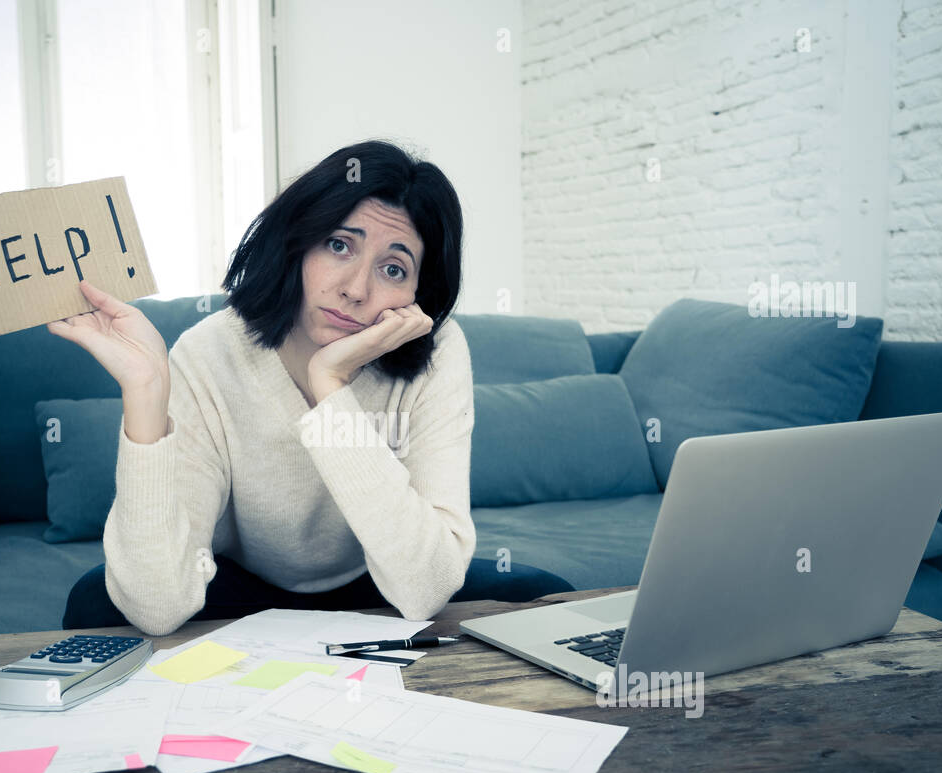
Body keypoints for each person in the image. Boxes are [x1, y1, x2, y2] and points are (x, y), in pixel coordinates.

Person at [52, 139, 571, 633]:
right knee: (98, 598)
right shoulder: (210, 351)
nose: (355, 289)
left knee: (546, 598)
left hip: (380, 580)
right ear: (298, 242)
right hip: (242, 588)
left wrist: (330, 384)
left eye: (393, 268)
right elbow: (157, 607)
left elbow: (425, 588)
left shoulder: (439, 352)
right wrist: (145, 392)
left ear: (418, 292)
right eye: (339, 245)